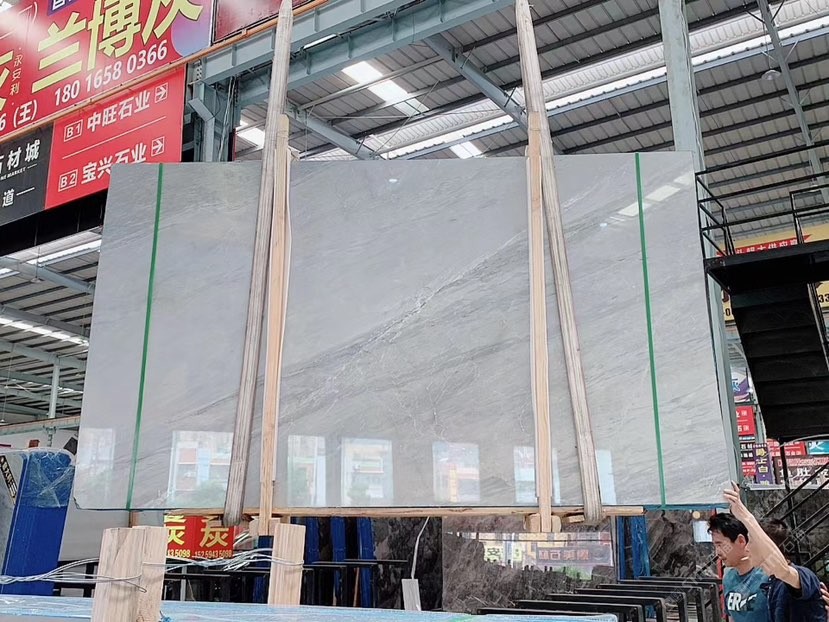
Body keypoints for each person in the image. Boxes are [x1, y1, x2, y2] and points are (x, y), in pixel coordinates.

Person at [724, 483, 828, 622]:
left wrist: (745, 516)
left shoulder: (803, 575)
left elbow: (782, 570)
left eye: (751, 541)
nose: (746, 548)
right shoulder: (770, 584)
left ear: (768, 546)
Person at [708, 512, 770, 622]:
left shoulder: (767, 576)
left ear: (741, 541)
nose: (718, 552)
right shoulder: (728, 578)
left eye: (720, 544)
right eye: (715, 546)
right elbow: (732, 617)